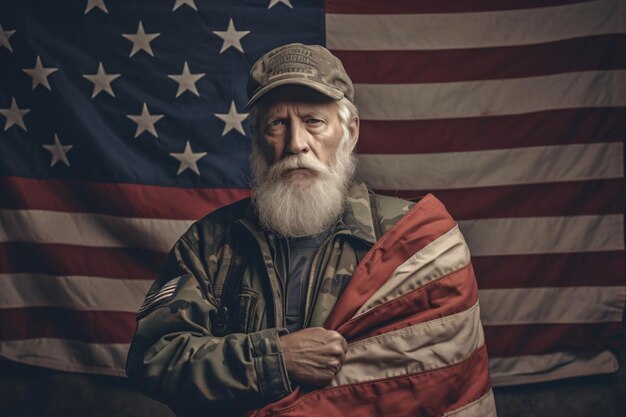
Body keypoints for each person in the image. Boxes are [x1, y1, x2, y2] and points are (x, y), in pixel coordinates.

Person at [126, 43, 496, 417]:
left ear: (349, 132)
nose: (295, 144)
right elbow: (154, 358)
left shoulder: (412, 239)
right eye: (276, 124)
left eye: (313, 121)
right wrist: (276, 359)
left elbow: (438, 381)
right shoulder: (209, 242)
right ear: (256, 137)